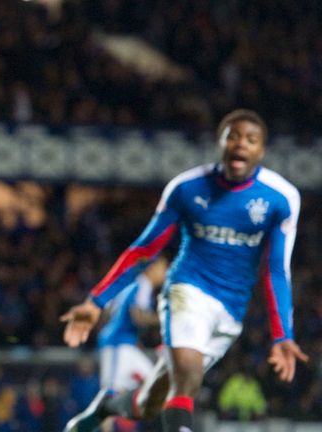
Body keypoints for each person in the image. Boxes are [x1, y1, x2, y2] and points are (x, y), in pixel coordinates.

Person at [60, 109, 308, 432]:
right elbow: (144, 249)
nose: (240, 145)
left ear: (261, 150)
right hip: (187, 291)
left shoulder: (281, 198)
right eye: (232, 136)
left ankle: (106, 406)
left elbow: (276, 270)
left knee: (149, 403)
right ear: (219, 144)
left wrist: (282, 334)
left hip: (230, 311)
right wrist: (95, 301)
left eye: (250, 139)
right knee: (188, 375)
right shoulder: (187, 188)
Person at [69, 257, 167, 432]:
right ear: (151, 268)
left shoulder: (131, 286)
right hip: (118, 346)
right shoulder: (143, 285)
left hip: (125, 345)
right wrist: (163, 319)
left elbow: (108, 313)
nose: (165, 272)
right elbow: (138, 316)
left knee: (156, 385)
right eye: (163, 267)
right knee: (110, 396)